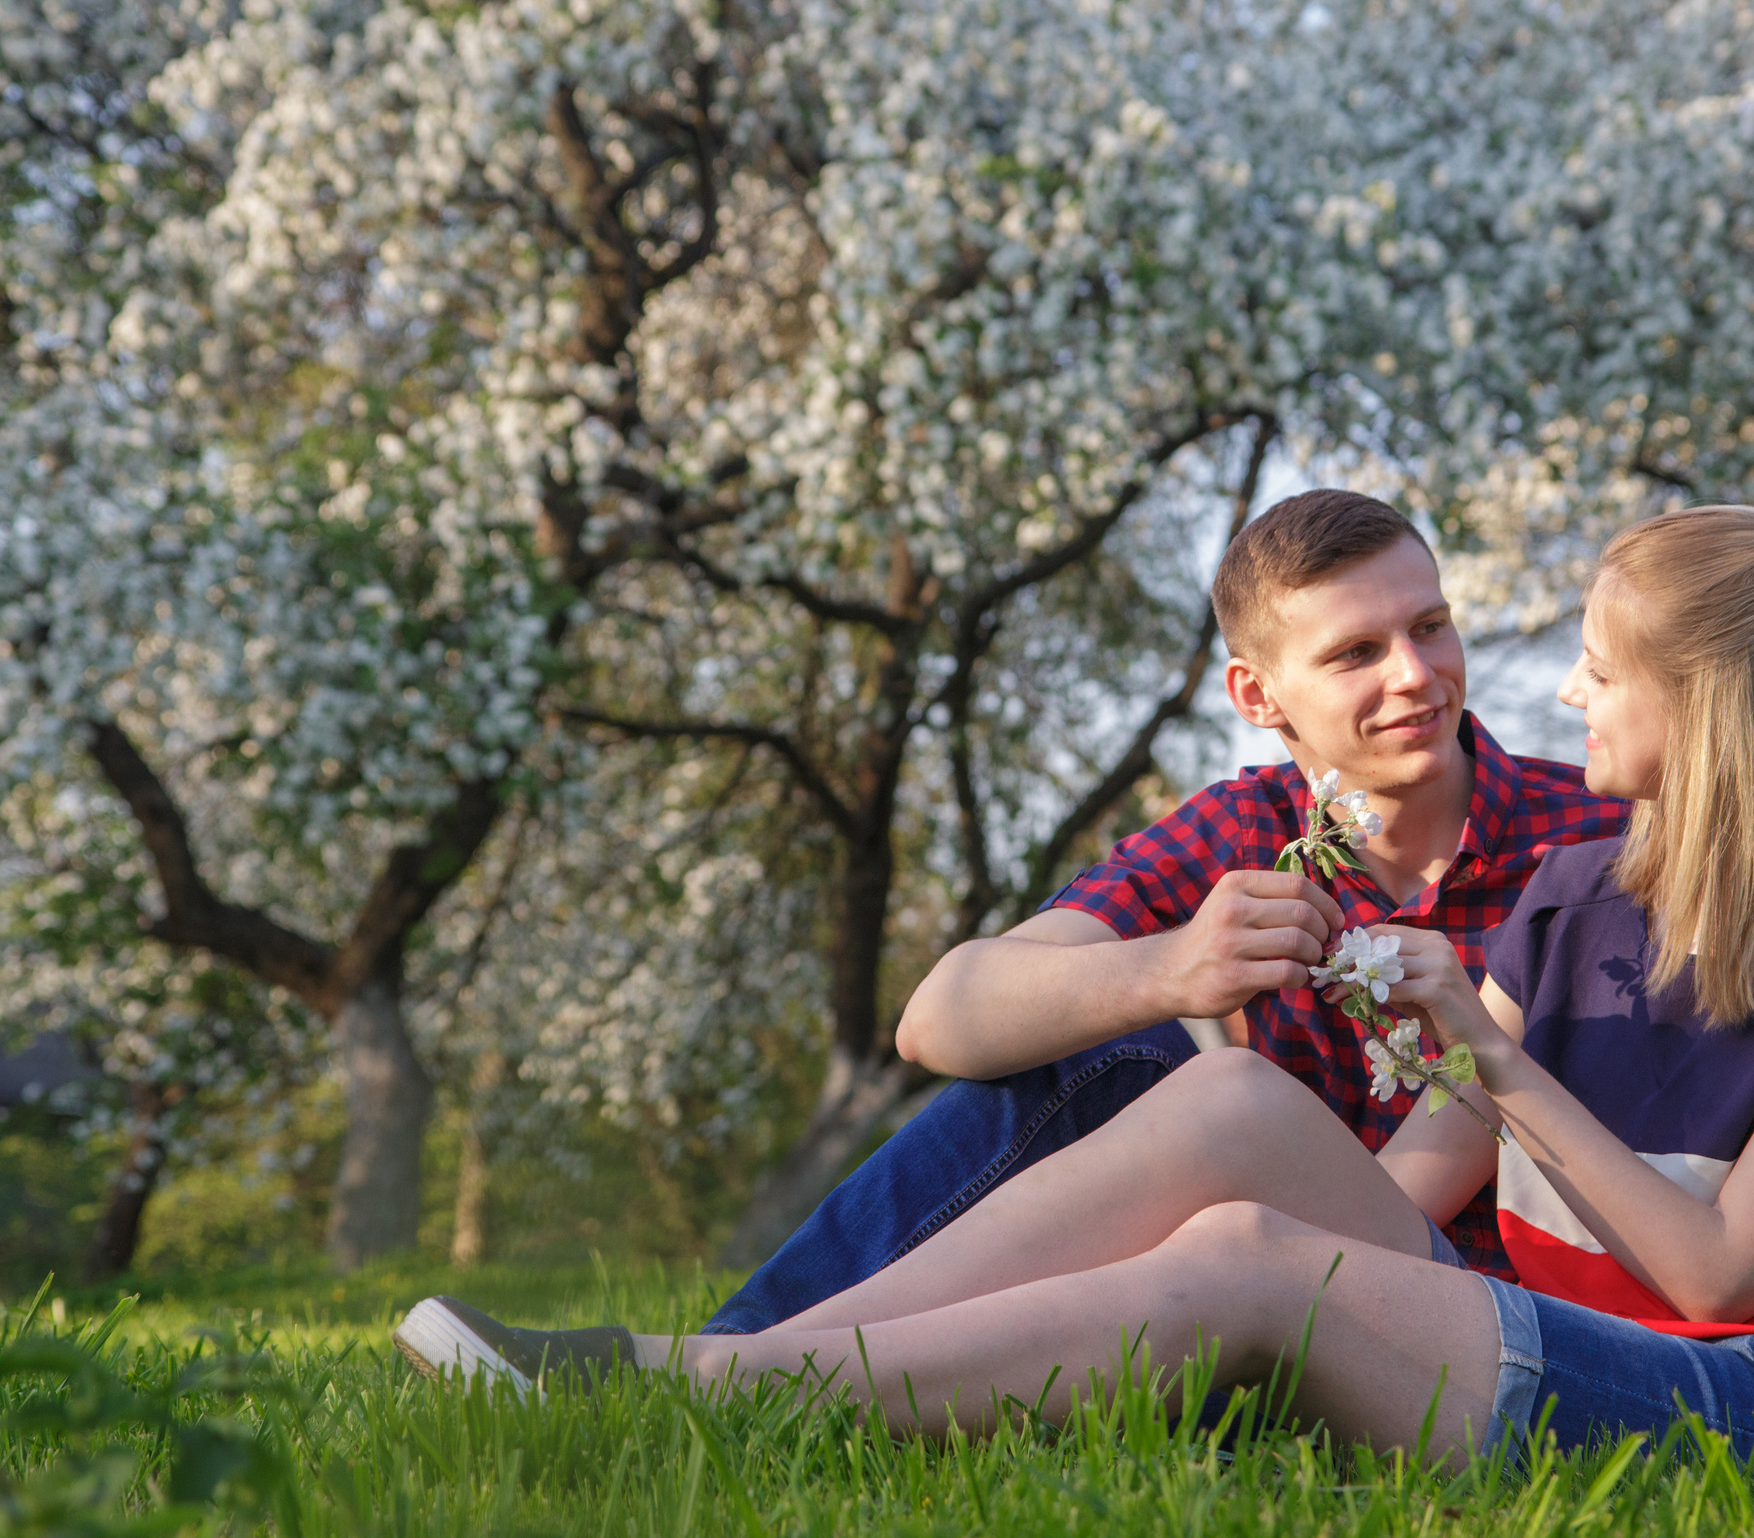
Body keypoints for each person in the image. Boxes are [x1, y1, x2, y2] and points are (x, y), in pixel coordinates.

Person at [397, 504, 1754, 1465]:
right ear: (1265, 695)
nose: (1545, 683)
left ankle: (718, 1386)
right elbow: (1414, 1184)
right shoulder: (1579, 892)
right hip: (1528, 1318)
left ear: (1700, 701)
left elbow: (1719, 1280)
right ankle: (730, 1374)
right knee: (1217, 1108)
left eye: (1596, 662)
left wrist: (1486, 1066)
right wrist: (1278, 1036)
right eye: (1365, 647)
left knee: (1248, 1259)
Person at [698, 490, 1631, 1334]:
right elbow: (938, 1019)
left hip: (1493, 1306)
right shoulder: (1247, 825)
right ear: (1257, 694)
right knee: (1104, 1047)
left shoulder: (1599, 838)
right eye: (1357, 652)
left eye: (1431, 626)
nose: (1416, 674)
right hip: (1260, 1266)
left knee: (1219, 1112)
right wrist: (1170, 968)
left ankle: (761, 1365)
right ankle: (740, 1349)